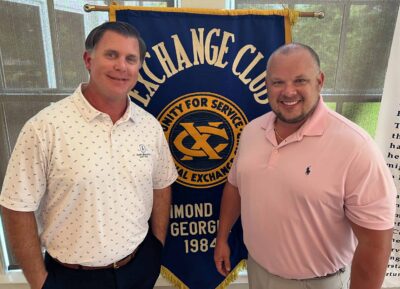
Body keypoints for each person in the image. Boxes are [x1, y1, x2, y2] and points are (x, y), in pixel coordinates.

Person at [0, 21, 177, 289]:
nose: (121, 66)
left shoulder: (149, 126)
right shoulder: (45, 127)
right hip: (71, 277)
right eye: (111, 55)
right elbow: (16, 206)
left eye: (131, 59)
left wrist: (156, 246)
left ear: (138, 67)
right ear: (88, 59)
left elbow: (162, 185)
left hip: (138, 268)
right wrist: (39, 282)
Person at [214, 43, 396, 289]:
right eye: (278, 82)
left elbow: (375, 240)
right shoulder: (251, 131)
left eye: (300, 80)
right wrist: (222, 237)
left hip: (317, 283)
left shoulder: (356, 147)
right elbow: (235, 186)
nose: (289, 92)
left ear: (319, 81)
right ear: (266, 85)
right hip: (257, 271)